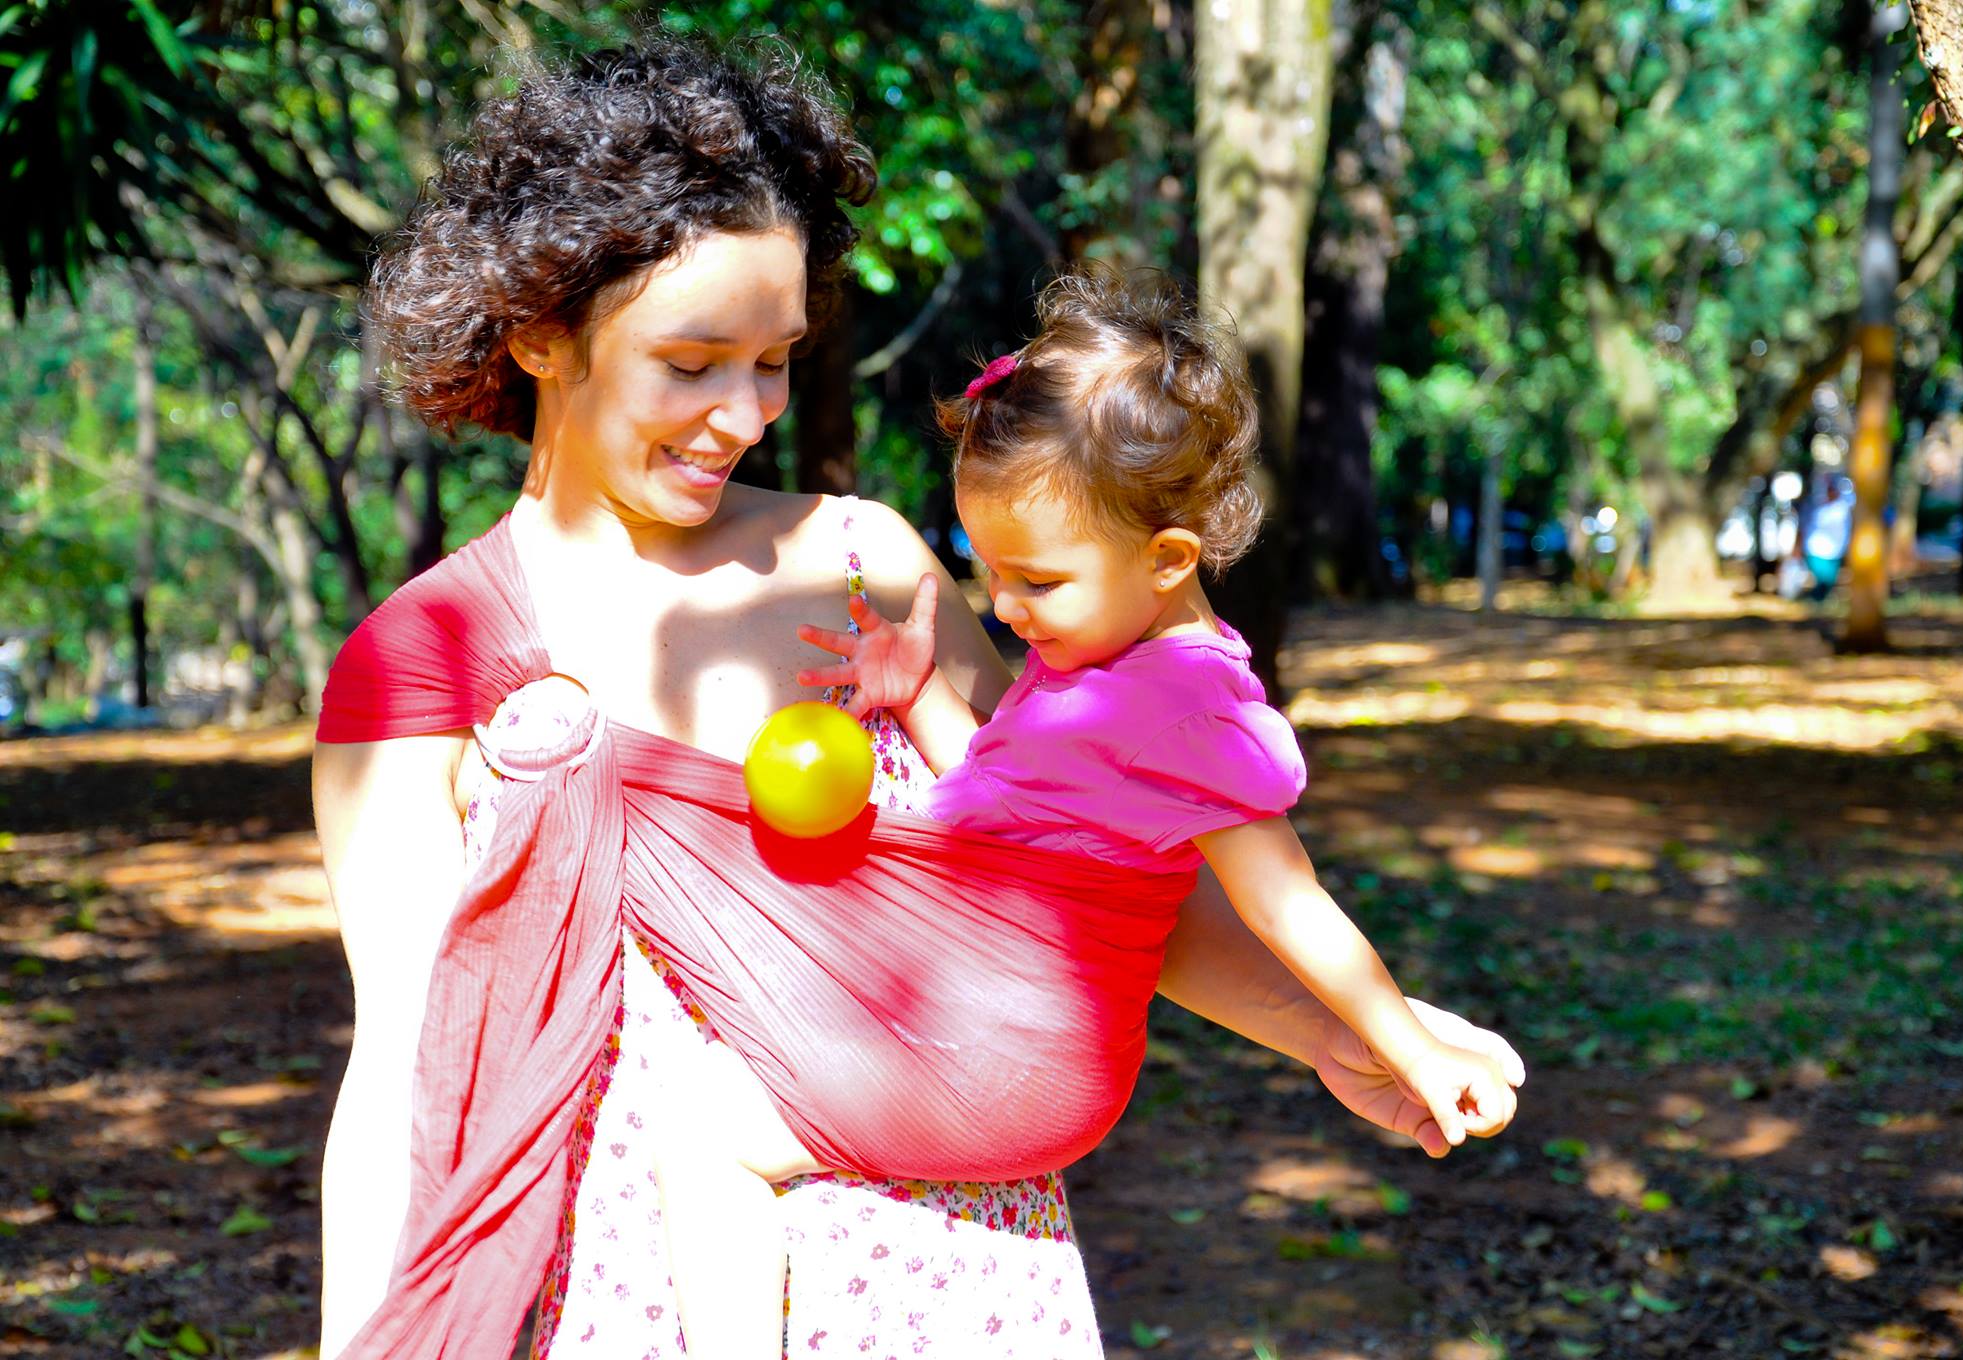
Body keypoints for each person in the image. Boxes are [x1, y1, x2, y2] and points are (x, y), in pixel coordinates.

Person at [312, 36, 1525, 1360]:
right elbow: (400, 1081)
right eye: (694, 359)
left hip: (952, 1277)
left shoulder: (863, 571)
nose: (743, 413)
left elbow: (1080, 886)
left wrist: (1348, 1037)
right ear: (541, 329)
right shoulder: (423, 667)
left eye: (773, 359)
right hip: (631, 1288)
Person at [643, 269, 1521, 1357]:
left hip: (1006, 1052)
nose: (1004, 608)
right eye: (986, 572)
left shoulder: (1191, 708)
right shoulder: (1103, 671)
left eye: (1036, 581)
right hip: (998, 1033)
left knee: (706, 1134)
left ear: (1165, 559)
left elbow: (1292, 908)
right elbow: (1013, 833)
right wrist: (919, 695)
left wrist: (1405, 1044)